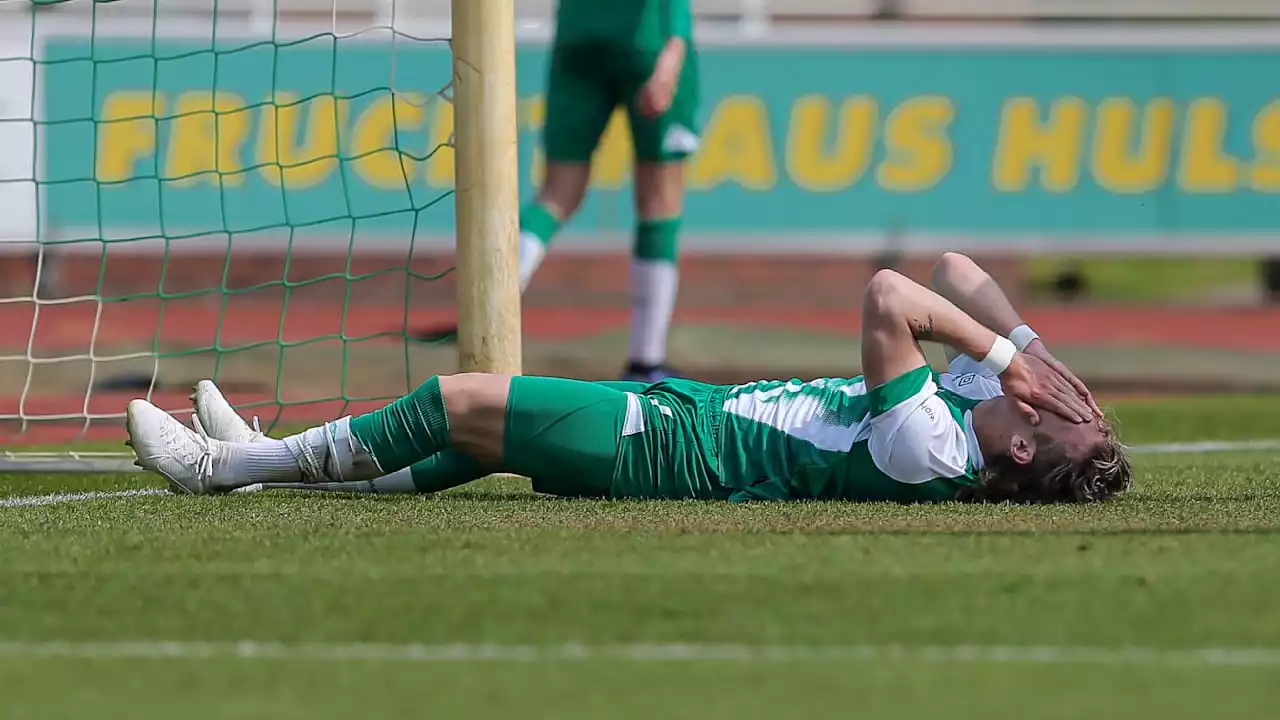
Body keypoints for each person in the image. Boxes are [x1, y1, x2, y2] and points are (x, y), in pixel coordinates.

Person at [126, 254, 1131, 504]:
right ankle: (266, 456)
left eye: (1062, 414)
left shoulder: (935, 446)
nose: (1052, 398)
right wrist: (1034, 351)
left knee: (461, 400)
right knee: (478, 442)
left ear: (1022, 442)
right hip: (679, 421)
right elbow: (954, 271)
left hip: (676, 454)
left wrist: (1009, 360)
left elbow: (889, 293)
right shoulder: (984, 414)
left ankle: (225, 465)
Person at [421, 0, 700, 382]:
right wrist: (672, 55)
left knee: (556, 194)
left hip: (577, 37)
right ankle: (645, 361)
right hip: (648, 39)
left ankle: (486, 309)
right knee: (659, 204)